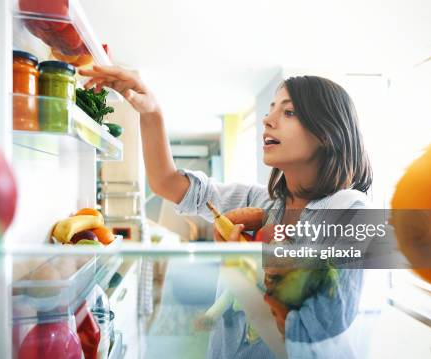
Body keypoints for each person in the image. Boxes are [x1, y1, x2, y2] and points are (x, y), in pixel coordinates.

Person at [80, 65, 373, 358]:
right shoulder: (261, 201)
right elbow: (166, 182)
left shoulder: (349, 211)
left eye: (289, 112)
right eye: (271, 109)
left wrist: (239, 267)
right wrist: (151, 111)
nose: (267, 120)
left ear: (327, 132)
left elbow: (311, 331)